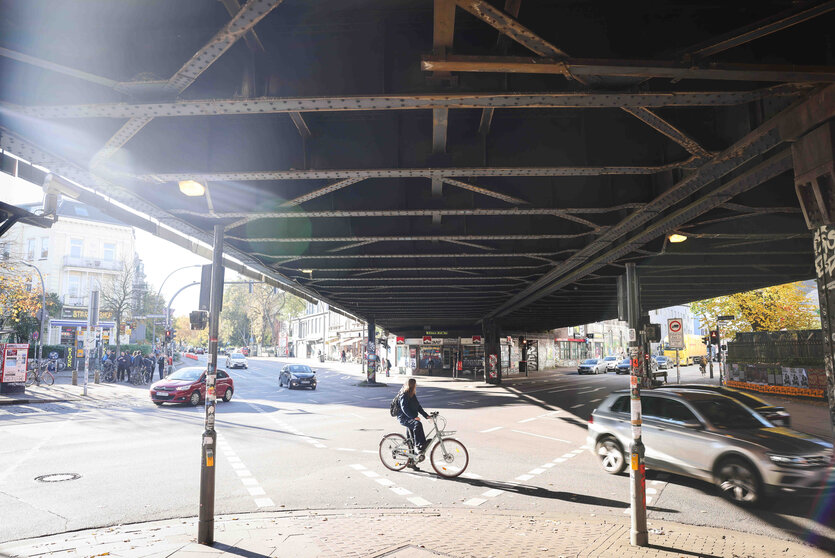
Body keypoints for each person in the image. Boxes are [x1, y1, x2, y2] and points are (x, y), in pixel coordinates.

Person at [396, 378, 431, 470]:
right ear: (412, 385)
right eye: (415, 385)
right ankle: (419, 445)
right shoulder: (404, 394)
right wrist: (413, 417)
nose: (416, 386)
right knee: (417, 424)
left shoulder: (412, 394)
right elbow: (404, 408)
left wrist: (426, 416)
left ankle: (412, 462)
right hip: (404, 418)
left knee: (410, 440)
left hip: (410, 418)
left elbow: (418, 406)